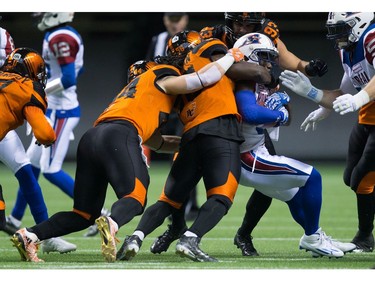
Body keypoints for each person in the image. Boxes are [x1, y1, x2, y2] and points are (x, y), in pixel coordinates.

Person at [10, 38, 245, 263]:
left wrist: (193, 142)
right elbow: (199, 80)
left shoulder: (136, 93)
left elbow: (158, 142)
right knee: (135, 198)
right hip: (120, 135)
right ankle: (111, 223)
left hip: (92, 138)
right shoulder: (163, 74)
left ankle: (30, 235)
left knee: (82, 214)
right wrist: (229, 58)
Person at [150, 12, 329, 257]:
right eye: (238, 22)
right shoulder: (213, 37)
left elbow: (285, 60)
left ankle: (247, 234)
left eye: (249, 24)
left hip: (240, 126)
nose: (243, 27)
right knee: (181, 179)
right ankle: (176, 228)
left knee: (269, 188)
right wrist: (264, 76)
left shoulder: (266, 37)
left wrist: (306, 67)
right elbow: (229, 69)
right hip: (208, 112)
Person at [115, 30, 273, 263]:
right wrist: (266, 74)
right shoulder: (208, 49)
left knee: (168, 201)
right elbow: (240, 70)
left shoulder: (176, 76)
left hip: (189, 135)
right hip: (220, 128)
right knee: (221, 197)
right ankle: (191, 238)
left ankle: (135, 237)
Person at [234, 32, 356, 258]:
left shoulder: (264, 83)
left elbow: (286, 117)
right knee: (312, 177)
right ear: (248, 56)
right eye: (262, 56)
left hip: (256, 150)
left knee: (294, 195)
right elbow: (251, 113)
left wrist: (282, 106)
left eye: (270, 57)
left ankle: (316, 234)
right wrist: (276, 113)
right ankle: (312, 237)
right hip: (246, 157)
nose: (268, 63)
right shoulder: (243, 82)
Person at [4, 12, 106, 238]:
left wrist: (35, 93)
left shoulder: (61, 36)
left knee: (50, 170)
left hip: (61, 110)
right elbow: (76, 70)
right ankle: (14, 218)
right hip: (54, 109)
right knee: (29, 165)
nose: (38, 14)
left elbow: (69, 78)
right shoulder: (60, 33)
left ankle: (99, 214)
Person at [280, 12, 375, 253]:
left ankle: (364, 237)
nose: (336, 35)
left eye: (341, 28)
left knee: (363, 179)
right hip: (369, 118)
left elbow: (358, 93)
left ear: (359, 23)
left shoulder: (370, 37)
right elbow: (344, 91)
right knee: (351, 177)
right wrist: (316, 97)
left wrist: (360, 98)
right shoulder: (348, 49)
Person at [0, 23, 77, 254]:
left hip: (3, 130)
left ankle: (45, 235)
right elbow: (46, 134)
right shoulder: (27, 88)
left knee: (26, 172)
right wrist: (45, 136)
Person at [146, 12, 200, 221]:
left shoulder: (195, 40)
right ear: (165, 20)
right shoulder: (158, 40)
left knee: (185, 152)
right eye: (171, 19)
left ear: (186, 19)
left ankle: (189, 204)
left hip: (185, 104)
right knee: (168, 150)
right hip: (164, 104)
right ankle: (175, 203)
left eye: (178, 19)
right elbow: (149, 69)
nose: (175, 23)